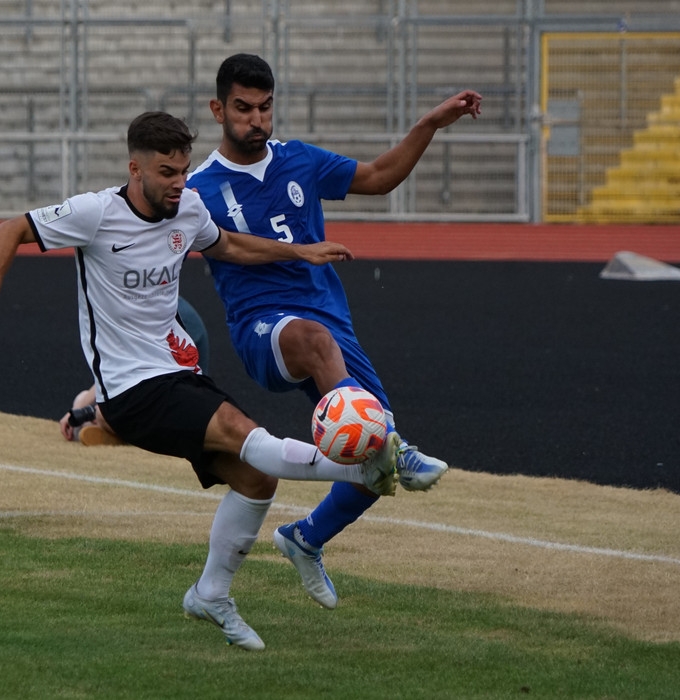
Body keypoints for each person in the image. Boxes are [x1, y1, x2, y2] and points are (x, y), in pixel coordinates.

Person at [0, 111, 400, 651]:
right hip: (130, 389)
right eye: (166, 172)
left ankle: (211, 594)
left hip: (178, 375)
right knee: (246, 434)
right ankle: (363, 464)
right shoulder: (96, 213)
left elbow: (230, 245)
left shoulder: (190, 208)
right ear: (136, 169)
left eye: (182, 170)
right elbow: (10, 229)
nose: (179, 182)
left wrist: (300, 251)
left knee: (255, 479)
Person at [186, 54, 482, 610]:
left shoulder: (298, 159)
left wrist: (428, 125)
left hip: (330, 324)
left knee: (373, 460)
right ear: (218, 110)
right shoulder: (199, 189)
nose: (256, 120)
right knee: (348, 387)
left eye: (265, 108)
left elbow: (379, 177)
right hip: (262, 329)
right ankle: (397, 446)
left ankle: (307, 537)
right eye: (243, 108)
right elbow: (202, 248)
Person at [58, 296, 209, 446]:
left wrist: (79, 410)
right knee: (85, 400)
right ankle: (119, 432)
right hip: (160, 395)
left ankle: (122, 434)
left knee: (103, 412)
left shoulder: (166, 316)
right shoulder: (155, 308)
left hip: (177, 402)